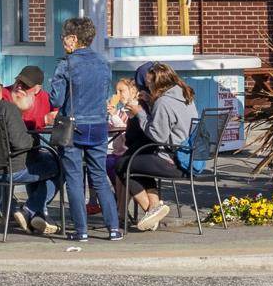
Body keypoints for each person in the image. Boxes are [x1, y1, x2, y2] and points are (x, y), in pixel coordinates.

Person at [45, 16, 122, 243]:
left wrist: (56, 82)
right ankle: (114, 228)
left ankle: (81, 231)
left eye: (63, 37)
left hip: (73, 126)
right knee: (99, 177)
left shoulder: (66, 64)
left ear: (73, 38)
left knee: (75, 178)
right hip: (98, 126)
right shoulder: (102, 62)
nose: (62, 42)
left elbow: (56, 100)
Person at [0, 68, 57, 236]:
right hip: (8, 170)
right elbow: (21, 143)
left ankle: (13, 211)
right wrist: (32, 137)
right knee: (57, 165)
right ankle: (31, 209)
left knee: (38, 161)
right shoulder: (6, 108)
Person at [115, 63, 199, 232]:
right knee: (136, 162)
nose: (148, 86)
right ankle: (153, 211)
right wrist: (151, 102)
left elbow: (157, 135)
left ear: (158, 83)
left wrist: (140, 112)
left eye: (150, 83)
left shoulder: (164, 102)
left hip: (173, 159)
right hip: (190, 156)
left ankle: (152, 210)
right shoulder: (183, 94)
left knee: (123, 165)